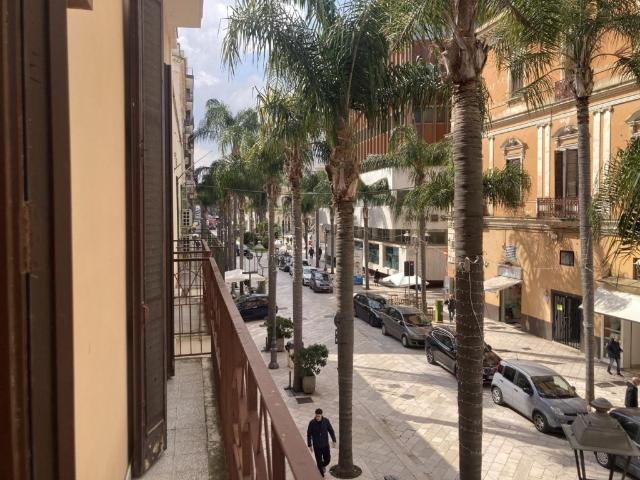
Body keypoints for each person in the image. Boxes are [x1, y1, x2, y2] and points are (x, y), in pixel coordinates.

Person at [307, 408, 336, 477]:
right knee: (319, 461)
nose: (317, 417)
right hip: (317, 446)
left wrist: (334, 440)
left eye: (319, 416)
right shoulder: (312, 423)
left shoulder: (326, 421)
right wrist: (309, 445)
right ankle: (321, 475)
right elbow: (309, 434)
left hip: (325, 445)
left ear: (322, 415)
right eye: (316, 416)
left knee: (328, 460)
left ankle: (322, 466)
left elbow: (331, 431)